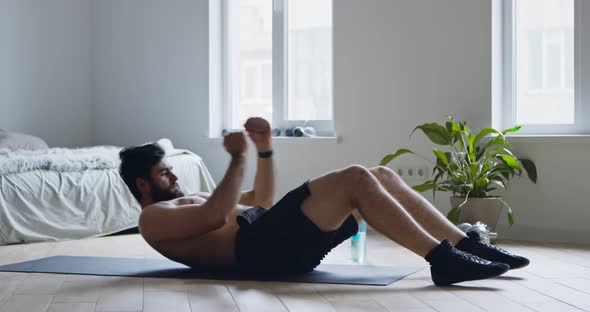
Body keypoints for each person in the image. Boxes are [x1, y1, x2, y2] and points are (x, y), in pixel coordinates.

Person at [119, 117, 529, 286]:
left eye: (171, 169)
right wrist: (238, 158)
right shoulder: (154, 219)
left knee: (378, 177)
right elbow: (212, 217)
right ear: (143, 183)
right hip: (258, 250)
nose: (173, 175)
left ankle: (465, 245)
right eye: (163, 173)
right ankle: (442, 259)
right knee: (353, 178)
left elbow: (261, 198)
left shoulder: (190, 197)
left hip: (275, 238)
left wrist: (262, 151)